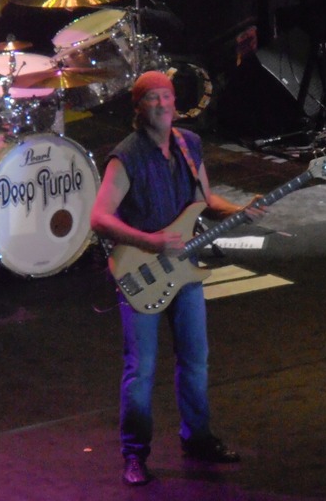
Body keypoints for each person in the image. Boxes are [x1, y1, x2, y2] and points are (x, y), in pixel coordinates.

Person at [90, 70, 265, 486]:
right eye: (152, 98)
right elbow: (99, 217)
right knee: (141, 368)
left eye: (166, 96)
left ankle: (198, 439)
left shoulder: (189, 144)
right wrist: (149, 241)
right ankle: (135, 454)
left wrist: (239, 211)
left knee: (195, 360)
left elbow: (204, 200)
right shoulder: (126, 156)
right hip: (141, 270)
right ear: (138, 107)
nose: (162, 104)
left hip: (185, 269)